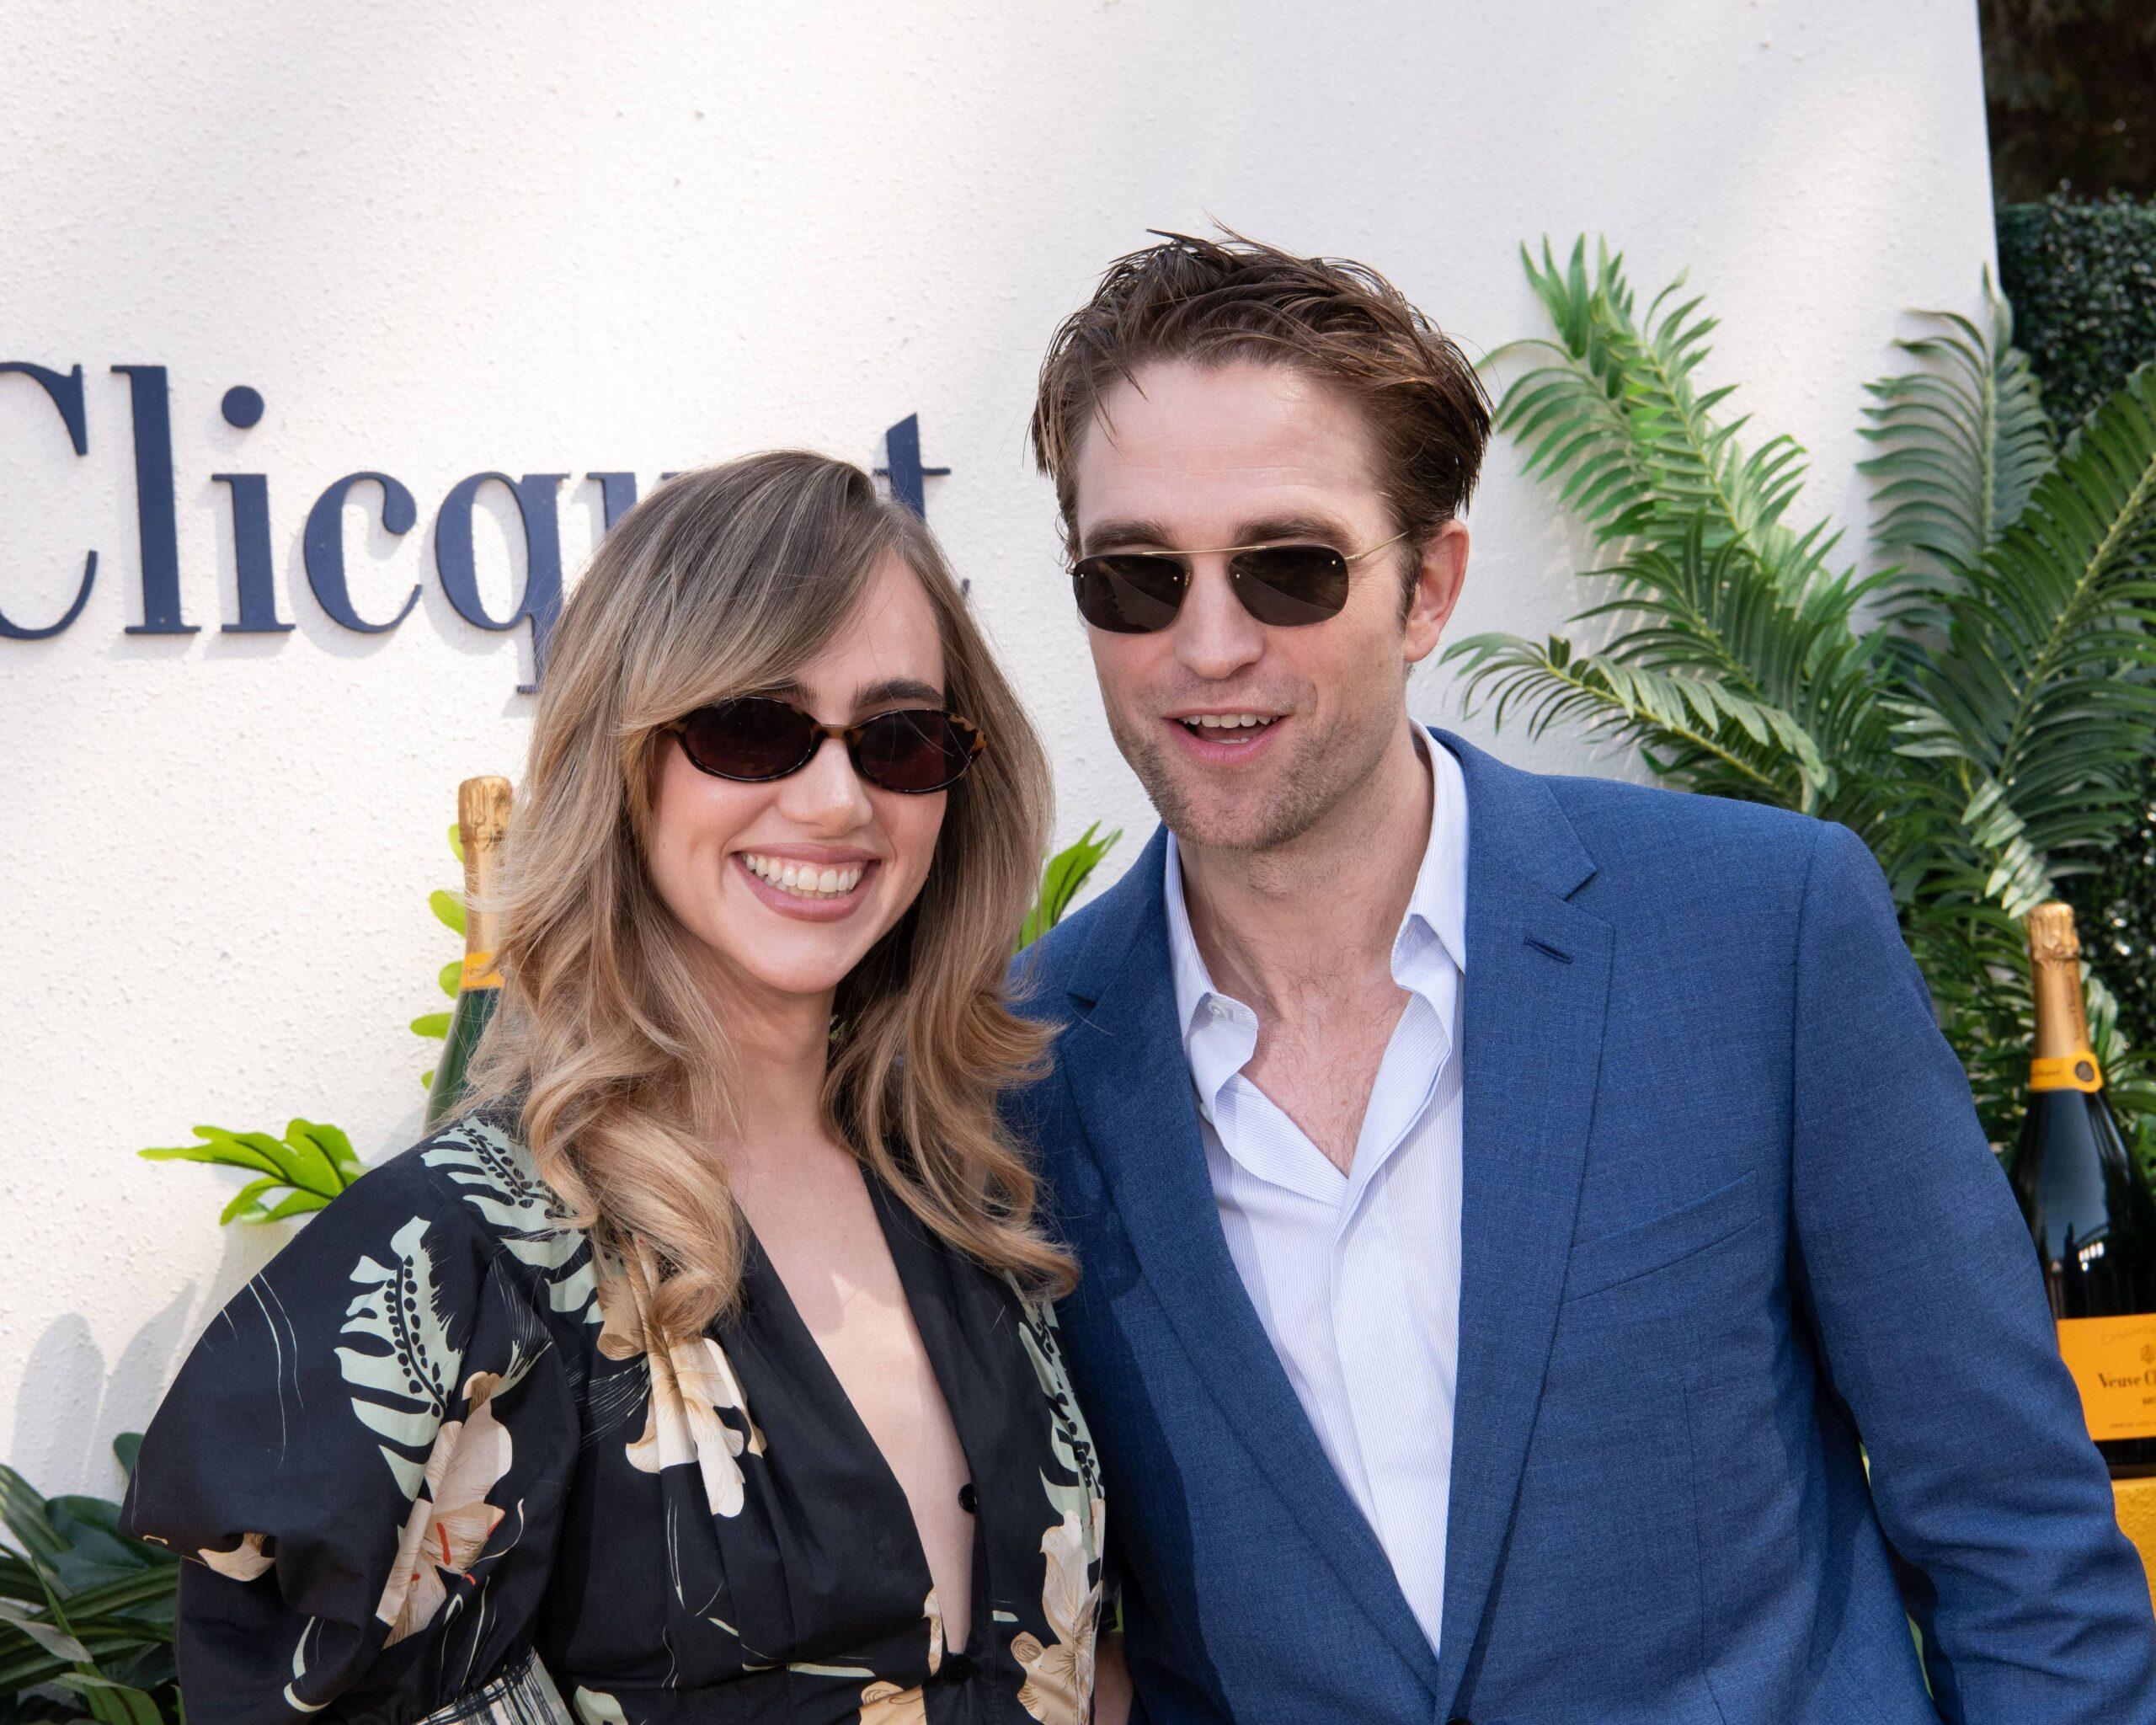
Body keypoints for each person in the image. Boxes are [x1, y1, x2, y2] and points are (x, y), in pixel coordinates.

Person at [1006, 232, 2156, 1724]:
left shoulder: (1761, 932)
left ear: (1429, 588)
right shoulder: (1014, 1071)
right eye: (1137, 578)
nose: (1209, 645)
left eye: (1290, 569)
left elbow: (2019, 1537)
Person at [121, 454, 1107, 1725]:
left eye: (899, 738)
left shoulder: (975, 1198)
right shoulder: (462, 1262)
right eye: (752, 727)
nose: (836, 800)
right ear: (623, 759)